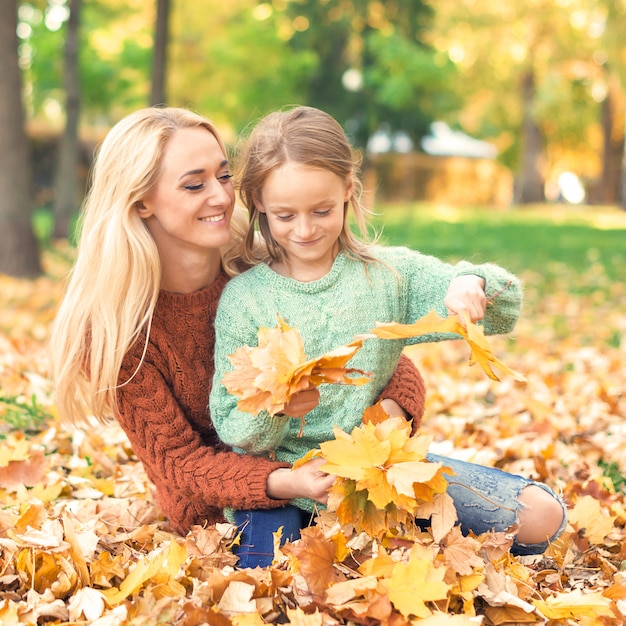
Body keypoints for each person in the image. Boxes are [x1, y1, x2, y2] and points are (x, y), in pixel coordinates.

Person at [48, 106, 430, 546]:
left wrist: (383, 428)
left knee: (526, 519)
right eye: (195, 184)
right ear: (140, 202)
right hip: (228, 516)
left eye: (224, 177)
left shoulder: (262, 269)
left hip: (345, 470)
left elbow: (377, 361)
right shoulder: (116, 334)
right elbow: (180, 462)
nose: (222, 197)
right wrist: (291, 481)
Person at [210, 105, 567, 568]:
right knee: (277, 580)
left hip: (378, 471)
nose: (304, 229)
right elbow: (230, 420)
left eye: (322, 210)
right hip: (284, 483)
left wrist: (470, 285)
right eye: (285, 215)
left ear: (348, 191)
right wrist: (276, 410)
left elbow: (499, 302)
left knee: (541, 516)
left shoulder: (387, 276)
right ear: (258, 202)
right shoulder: (245, 298)